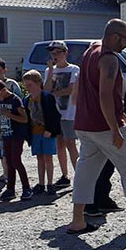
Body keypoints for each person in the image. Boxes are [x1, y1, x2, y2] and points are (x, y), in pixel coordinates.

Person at [66, 19, 126, 233]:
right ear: (115, 36)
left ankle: (77, 219)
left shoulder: (90, 51)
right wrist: (115, 129)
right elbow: (105, 95)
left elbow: (90, 88)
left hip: (84, 124)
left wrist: (121, 113)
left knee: (85, 171)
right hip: (103, 126)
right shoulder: (109, 60)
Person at [0, 79, 32, 201]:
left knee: (16, 161)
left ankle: (26, 188)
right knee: (9, 163)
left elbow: (25, 119)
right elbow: (0, 121)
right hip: (6, 136)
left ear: (3, 90)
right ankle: (10, 189)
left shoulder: (15, 100)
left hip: (17, 135)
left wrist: (10, 115)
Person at [44, 40, 79, 188]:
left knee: (71, 143)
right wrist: (51, 70)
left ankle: (79, 174)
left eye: (58, 52)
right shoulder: (48, 71)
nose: (55, 55)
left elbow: (71, 89)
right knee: (60, 144)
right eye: (53, 53)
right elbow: (46, 90)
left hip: (69, 112)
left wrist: (54, 92)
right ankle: (65, 175)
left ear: (65, 53)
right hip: (55, 112)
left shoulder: (74, 69)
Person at [22, 70, 62, 195]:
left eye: (30, 85)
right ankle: (41, 183)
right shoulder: (27, 99)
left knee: (48, 158)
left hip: (47, 132)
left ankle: (50, 183)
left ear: (38, 83)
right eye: (26, 85)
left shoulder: (47, 97)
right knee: (39, 158)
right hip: (35, 132)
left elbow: (54, 116)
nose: (28, 88)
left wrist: (50, 130)